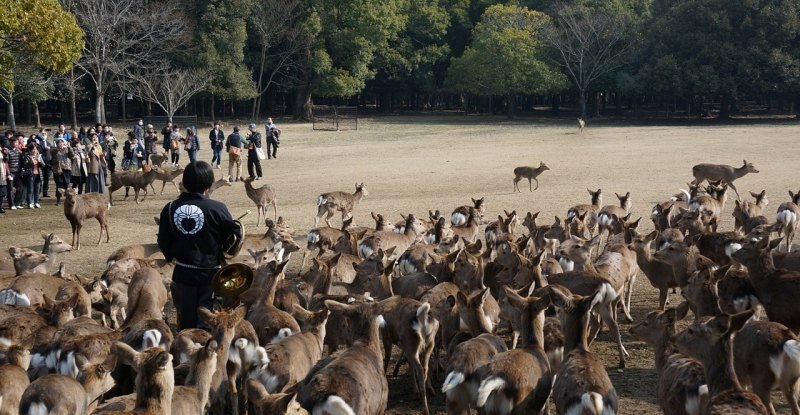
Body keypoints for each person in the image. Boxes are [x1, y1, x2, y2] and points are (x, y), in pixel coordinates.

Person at [157, 161, 241, 330]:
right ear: (209, 183)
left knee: (185, 322)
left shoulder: (170, 208)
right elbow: (234, 238)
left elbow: (163, 240)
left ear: (185, 182)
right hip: (212, 276)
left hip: (182, 274)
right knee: (208, 322)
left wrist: (174, 255)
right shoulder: (217, 207)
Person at [52, 138, 74, 205]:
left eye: (62, 142)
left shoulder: (67, 149)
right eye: (59, 142)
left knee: (67, 185)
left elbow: (72, 155)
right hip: (58, 170)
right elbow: (53, 154)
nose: (60, 144)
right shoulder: (54, 150)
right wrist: (57, 148)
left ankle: (68, 200)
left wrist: (69, 147)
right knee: (58, 185)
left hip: (66, 169)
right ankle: (58, 200)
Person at [21, 142, 43, 208]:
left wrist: (39, 160)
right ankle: (30, 202)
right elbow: (25, 165)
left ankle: (36, 202)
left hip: (38, 175)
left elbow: (43, 165)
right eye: (33, 149)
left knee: (37, 189)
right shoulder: (27, 156)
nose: (35, 150)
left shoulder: (38, 156)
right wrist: (32, 160)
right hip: (31, 174)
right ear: (30, 150)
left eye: (36, 149)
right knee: (30, 189)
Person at [33, 129, 52, 198]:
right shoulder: (37, 141)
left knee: (46, 178)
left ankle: (45, 192)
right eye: (43, 133)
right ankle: (38, 193)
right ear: (40, 133)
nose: (44, 134)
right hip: (40, 163)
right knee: (40, 178)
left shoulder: (48, 142)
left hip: (47, 163)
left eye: (45, 133)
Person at [7, 135, 23, 209]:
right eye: (15, 142)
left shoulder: (18, 151)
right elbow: (6, 163)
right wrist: (8, 174)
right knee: (10, 189)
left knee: (20, 188)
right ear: (10, 142)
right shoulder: (8, 151)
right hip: (11, 172)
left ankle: (16, 203)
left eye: (17, 142)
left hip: (18, 172)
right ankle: (11, 204)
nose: (16, 144)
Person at [0, 145, 8, 213]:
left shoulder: (2, 154)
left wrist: (5, 154)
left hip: (2, 175)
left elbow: (5, 161)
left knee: (2, 192)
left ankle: (0, 206)